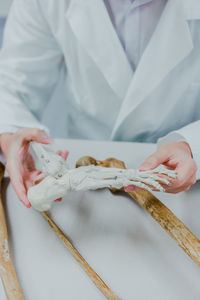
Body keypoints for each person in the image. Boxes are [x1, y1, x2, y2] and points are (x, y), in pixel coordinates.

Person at [0, 0, 199, 207]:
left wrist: (192, 145)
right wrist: (11, 131)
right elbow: (12, 84)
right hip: (81, 177)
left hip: (184, 180)